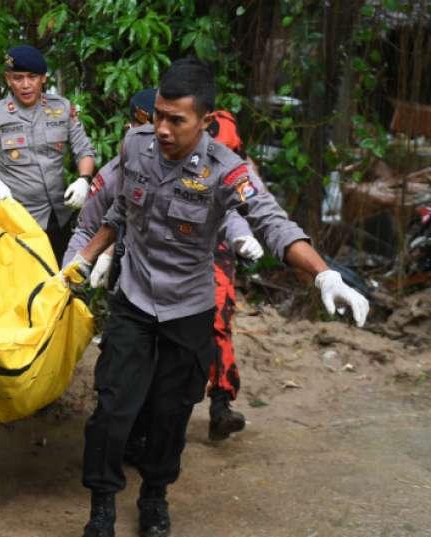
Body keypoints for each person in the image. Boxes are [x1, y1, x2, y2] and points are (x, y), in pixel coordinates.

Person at [64, 58, 369, 537]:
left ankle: (154, 497)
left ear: (206, 122)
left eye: (175, 120)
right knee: (113, 409)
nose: (161, 128)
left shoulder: (228, 170)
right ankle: (101, 504)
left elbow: (271, 222)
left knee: (171, 413)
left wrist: (323, 275)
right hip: (134, 303)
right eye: (158, 114)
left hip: (188, 309)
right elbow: (119, 210)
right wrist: (86, 258)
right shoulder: (134, 146)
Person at [63, 94, 260, 446]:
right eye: (153, 123)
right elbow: (91, 224)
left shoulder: (212, 162)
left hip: (198, 270)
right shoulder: (120, 168)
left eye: (173, 123)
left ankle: (216, 404)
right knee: (127, 361)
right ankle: (125, 435)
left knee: (209, 331)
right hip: (137, 279)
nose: (161, 133)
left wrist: (245, 235)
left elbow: (242, 198)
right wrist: (74, 271)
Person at [0, 44, 96, 264]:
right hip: (19, 218)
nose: (25, 85)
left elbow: (83, 148)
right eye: (18, 78)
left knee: (62, 277)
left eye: (32, 77)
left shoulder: (62, 108)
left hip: (60, 215)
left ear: (43, 78)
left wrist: (84, 179)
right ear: (8, 79)